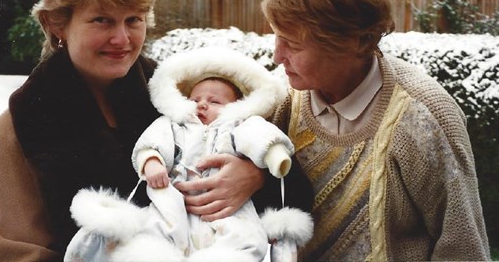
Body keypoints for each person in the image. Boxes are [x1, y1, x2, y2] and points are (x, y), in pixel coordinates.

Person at [0, 0, 262, 262]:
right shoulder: (19, 128)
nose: (122, 39)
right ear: (58, 24)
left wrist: (255, 176)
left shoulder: (180, 99)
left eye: (133, 19)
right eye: (102, 20)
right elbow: (13, 252)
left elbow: (280, 175)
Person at [255, 0, 491, 261]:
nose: (277, 56)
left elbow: (463, 248)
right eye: (277, 37)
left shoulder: (424, 117)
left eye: (294, 45)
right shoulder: (282, 97)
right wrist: (253, 173)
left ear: (353, 43)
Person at [64, 47, 313, 262]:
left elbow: (261, 136)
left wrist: (274, 154)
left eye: (214, 101)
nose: (202, 104)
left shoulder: (239, 125)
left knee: (243, 234)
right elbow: (152, 143)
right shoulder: (174, 125)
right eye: (196, 99)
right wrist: (151, 162)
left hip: (227, 207)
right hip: (175, 196)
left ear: (237, 107)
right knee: (157, 225)